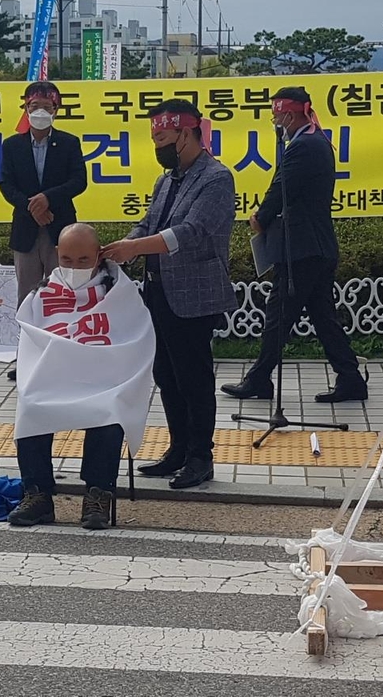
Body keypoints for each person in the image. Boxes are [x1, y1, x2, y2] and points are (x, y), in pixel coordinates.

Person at [102, 99, 236, 490]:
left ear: (186, 132)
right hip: (158, 291)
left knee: (193, 376)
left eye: (162, 137)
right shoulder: (167, 179)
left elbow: (193, 231)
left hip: (194, 294)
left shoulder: (216, 178)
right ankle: (178, 448)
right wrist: (121, 249)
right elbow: (148, 223)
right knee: (166, 373)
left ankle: (200, 457)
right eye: (153, 139)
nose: (158, 145)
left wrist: (136, 248)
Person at [221, 87, 368, 404]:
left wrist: (260, 216)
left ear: (288, 114)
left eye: (276, 115)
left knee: (279, 315)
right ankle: (351, 378)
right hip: (315, 245)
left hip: (301, 247)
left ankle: (259, 379)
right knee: (322, 317)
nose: (275, 121)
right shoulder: (317, 140)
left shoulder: (303, 146)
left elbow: (281, 188)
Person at [8, 223, 154, 530]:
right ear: (58, 254)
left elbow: (135, 332)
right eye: (68, 261)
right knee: (30, 403)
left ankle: (98, 494)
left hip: (103, 374)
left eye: (84, 261)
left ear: (99, 255)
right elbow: (30, 332)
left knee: (111, 408)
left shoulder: (117, 289)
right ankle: (38, 495)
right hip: (54, 374)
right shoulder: (44, 291)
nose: (75, 267)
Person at [0, 80, 87, 381]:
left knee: (60, 295)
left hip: (60, 230)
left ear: (56, 110)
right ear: (25, 108)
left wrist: (48, 199)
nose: (39, 112)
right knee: (28, 297)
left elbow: (79, 181)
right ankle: (27, 359)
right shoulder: (12, 145)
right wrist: (32, 207)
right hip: (26, 230)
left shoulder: (69, 143)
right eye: (33, 106)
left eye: (46, 107)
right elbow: (5, 184)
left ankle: (61, 358)